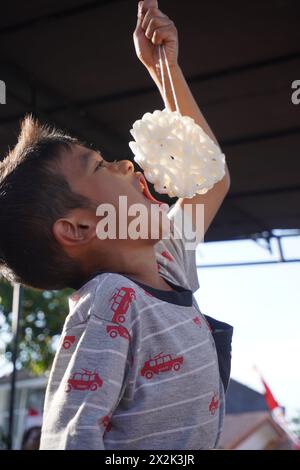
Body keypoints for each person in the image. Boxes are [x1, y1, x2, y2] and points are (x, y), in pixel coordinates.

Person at [0, 0, 233, 450]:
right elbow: (70, 438)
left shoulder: (168, 263)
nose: (127, 164)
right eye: (100, 165)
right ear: (79, 229)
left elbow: (211, 176)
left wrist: (165, 69)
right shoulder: (111, 301)